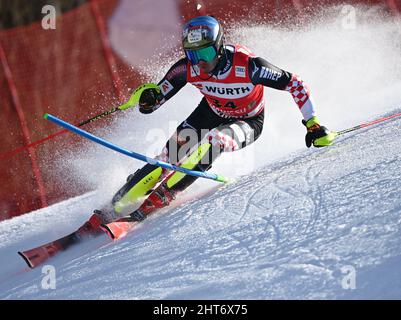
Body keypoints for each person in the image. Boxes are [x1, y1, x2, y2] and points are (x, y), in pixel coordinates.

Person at [105, 15, 336, 222]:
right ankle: (118, 202)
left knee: (217, 140)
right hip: (209, 112)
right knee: (170, 155)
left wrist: (312, 123)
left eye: (204, 53)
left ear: (219, 47)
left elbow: (295, 84)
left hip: (248, 121)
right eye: (192, 55)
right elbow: (154, 101)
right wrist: (148, 100)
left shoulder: (249, 66)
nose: (200, 63)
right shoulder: (186, 69)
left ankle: (166, 194)